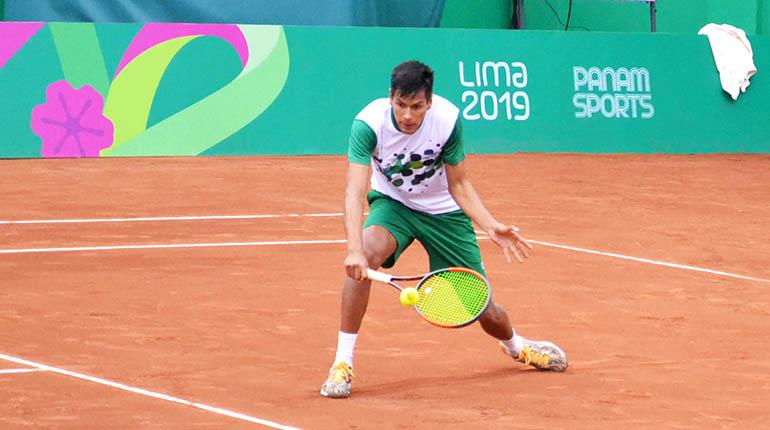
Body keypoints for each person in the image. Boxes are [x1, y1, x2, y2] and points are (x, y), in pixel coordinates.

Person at [320, 61, 567, 399]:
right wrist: (353, 250)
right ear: (390, 97)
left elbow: (460, 183)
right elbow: (354, 192)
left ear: (429, 102)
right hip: (395, 205)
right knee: (367, 251)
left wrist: (490, 225)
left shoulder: (447, 120)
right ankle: (342, 363)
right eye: (401, 105)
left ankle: (516, 347)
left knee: (482, 306)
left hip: (444, 212)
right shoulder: (368, 125)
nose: (408, 115)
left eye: (417, 106)